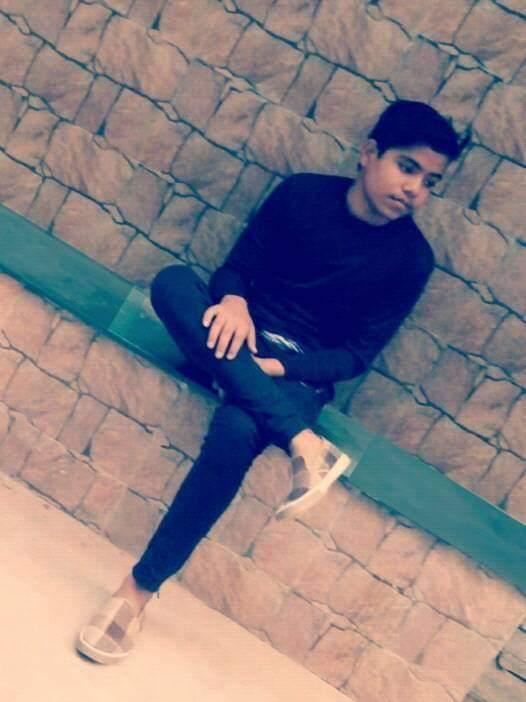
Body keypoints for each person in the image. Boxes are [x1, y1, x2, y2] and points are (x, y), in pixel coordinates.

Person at [76, 100, 464, 664]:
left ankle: (135, 594)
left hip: (294, 375)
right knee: (172, 283)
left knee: (237, 429)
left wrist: (275, 369)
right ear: (369, 153)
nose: (414, 190)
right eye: (407, 168)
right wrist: (233, 300)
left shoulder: (411, 260)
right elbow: (236, 268)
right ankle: (304, 444)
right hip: (234, 336)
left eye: (430, 183)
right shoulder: (302, 194)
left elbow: (354, 356)